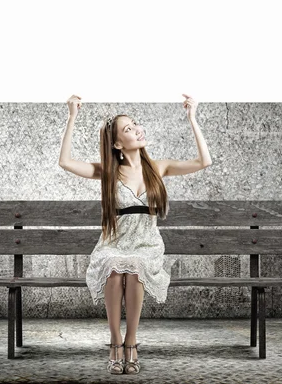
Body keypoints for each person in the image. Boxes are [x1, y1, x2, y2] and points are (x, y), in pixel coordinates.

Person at [58, 94, 212, 374]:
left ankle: (131, 342)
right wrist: (71, 117)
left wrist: (193, 118)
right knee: (116, 267)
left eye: (135, 124)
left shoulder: (158, 167)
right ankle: (115, 342)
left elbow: (204, 161)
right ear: (117, 143)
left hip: (146, 243)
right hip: (114, 243)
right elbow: (66, 162)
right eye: (128, 128)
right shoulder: (108, 171)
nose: (137, 129)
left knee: (136, 266)